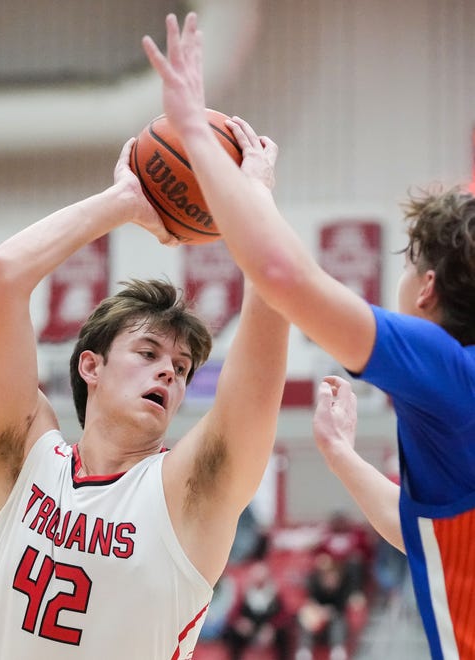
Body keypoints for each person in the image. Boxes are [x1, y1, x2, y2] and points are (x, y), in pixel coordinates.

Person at [143, 12, 475, 658]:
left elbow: (283, 276)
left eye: (407, 269)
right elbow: (423, 533)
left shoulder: (447, 370)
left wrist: (199, 140)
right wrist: (341, 455)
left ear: (428, 290)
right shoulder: (454, 408)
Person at [0, 99, 290, 657]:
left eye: (182, 368)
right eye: (148, 351)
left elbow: (272, 321)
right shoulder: (25, 460)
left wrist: (255, 198)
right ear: (92, 365)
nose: (169, 369)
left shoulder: (187, 494)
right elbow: (1, 281)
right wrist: (123, 202)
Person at [223, 560, 290, 660]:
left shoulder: (276, 594)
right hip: (249, 627)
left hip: (268, 628)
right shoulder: (244, 593)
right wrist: (240, 623)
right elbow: (233, 614)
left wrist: (272, 627)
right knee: (232, 634)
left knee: (284, 636)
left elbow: (284, 615)